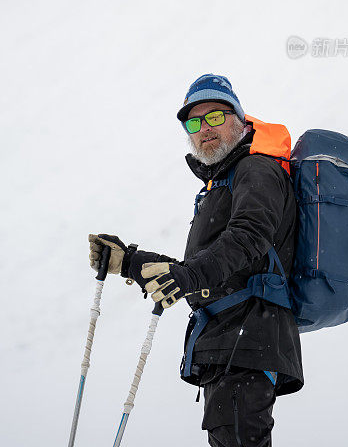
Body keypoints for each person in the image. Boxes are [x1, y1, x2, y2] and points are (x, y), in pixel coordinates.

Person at [89, 73, 303, 447]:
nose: (204, 127)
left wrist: (188, 275)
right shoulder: (220, 184)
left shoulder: (256, 168)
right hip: (232, 341)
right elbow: (208, 269)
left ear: (239, 120)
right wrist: (129, 263)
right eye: (194, 121)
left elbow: (250, 237)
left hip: (248, 337)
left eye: (216, 117)